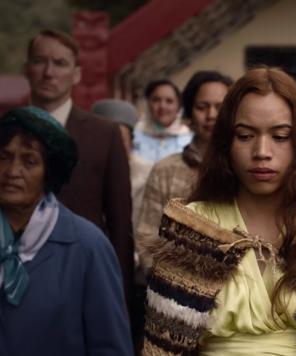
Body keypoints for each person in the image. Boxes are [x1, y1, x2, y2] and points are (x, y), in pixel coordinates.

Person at [141, 67, 296, 355]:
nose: (262, 152)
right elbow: (160, 347)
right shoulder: (193, 225)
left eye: (280, 136)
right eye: (245, 136)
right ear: (226, 143)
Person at [0, 107, 133, 356]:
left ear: (49, 173)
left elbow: (110, 346)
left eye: (30, 161)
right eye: (4, 157)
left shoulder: (86, 245)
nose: (12, 171)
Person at [24, 29, 134, 309]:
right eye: (40, 61)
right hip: (13, 279)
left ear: (76, 74)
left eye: (60, 63)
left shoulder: (104, 134)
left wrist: (119, 296)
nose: (49, 72)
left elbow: (120, 223)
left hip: (83, 279)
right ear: (27, 68)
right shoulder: (6, 130)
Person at [136, 70, 233, 274]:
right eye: (202, 107)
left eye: (220, 107)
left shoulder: (246, 170)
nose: (211, 115)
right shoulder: (166, 170)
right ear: (188, 113)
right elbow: (147, 235)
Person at [92, 98, 151, 227]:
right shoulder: (86, 170)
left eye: (120, 139)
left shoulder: (147, 173)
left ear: (131, 141)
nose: (114, 147)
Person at [133, 79, 193, 164]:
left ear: (178, 106)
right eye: (156, 100)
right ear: (148, 103)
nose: (162, 106)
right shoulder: (134, 136)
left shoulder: (189, 140)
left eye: (169, 101)